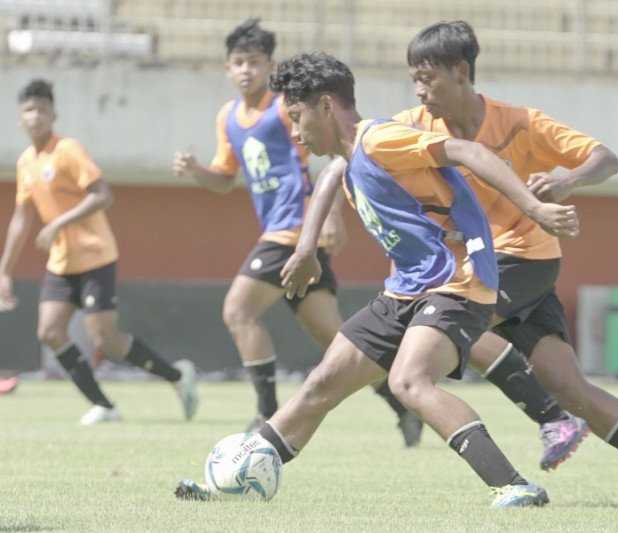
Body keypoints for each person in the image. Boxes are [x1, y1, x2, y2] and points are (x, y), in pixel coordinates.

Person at [175, 51, 579, 507]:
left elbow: (468, 150)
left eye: (296, 117)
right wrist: (306, 250)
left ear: (326, 106)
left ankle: (514, 485)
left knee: (410, 381)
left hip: (457, 281)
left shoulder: (381, 139)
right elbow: (331, 175)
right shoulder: (348, 157)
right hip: (408, 288)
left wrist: (535, 208)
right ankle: (226, 485)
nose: (293, 131)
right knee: (321, 382)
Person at [397, 21, 618, 505]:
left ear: (461, 72)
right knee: (569, 386)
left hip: (526, 261)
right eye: (414, 79)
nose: (420, 90)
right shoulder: (415, 126)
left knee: (441, 332)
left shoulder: (520, 122)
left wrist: (569, 181)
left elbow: (605, 158)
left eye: (428, 78)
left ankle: (544, 426)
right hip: (486, 265)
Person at [172, 19, 419, 441]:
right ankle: (403, 407)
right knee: (340, 342)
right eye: (237, 63)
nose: (246, 70)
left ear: (269, 65)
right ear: (227, 69)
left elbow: (330, 154)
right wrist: (198, 171)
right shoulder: (228, 117)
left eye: (254, 62)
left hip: (292, 232)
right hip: (291, 238)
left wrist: (333, 215)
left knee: (238, 310)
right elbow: (225, 178)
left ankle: (266, 413)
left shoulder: (285, 108)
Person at [0, 79, 198, 425]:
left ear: (53, 114)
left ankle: (178, 378)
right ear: (20, 118)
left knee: (106, 341)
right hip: (61, 263)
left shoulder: (68, 150)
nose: (36, 116)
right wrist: (5, 271)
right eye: (29, 110)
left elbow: (103, 195)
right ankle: (105, 406)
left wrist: (59, 223)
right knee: (49, 331)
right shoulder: (26, 162)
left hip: (95, 257)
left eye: (42, 110)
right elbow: (21, 218)